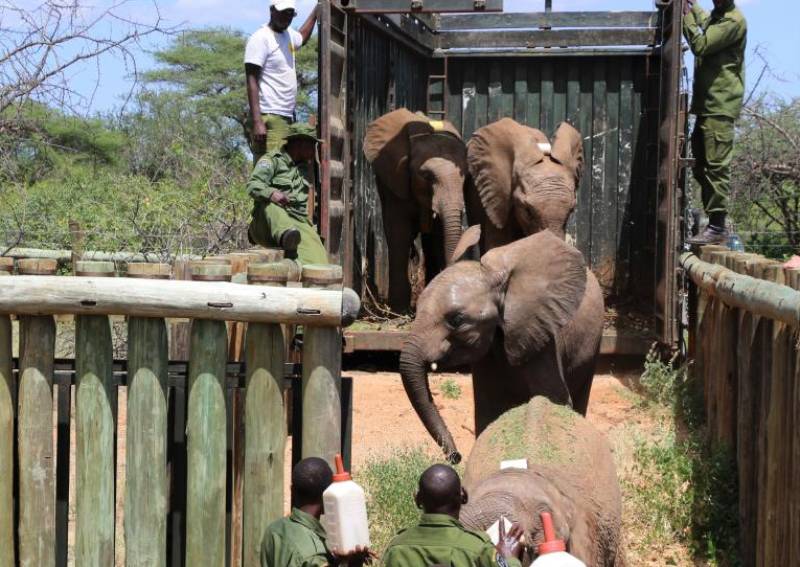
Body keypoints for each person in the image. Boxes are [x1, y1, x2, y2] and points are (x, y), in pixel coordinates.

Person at [683, 0, 747, 245]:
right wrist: (691, 5)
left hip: (720, 106)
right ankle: (713, 222)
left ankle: (717, 227)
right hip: (707, 105)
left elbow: (701, 44)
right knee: (701, 164)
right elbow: (706, 21)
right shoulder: (718, 16)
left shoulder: (734, 21)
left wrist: (686, 15)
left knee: (716, 166)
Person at [381, 465, 524, 567]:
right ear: (463, 496)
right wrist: (508, 558)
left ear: (418, 499)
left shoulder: (396, 548)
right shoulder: (478, 548)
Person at [261, 457, 370, 567]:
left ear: (292, 490)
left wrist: (336, 561)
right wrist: (355, 564)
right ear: (327, 496)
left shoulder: (274, 531)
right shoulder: (315, 556)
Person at [245, 0, 318, 163]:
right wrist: (258, 121)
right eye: (283, 12)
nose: (287, 17)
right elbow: (251, 79)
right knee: (271, 169)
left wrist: (317, 11)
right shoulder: (261, 38)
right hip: (270, 115)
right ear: (272, 11)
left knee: (282, 169)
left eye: (290, 14)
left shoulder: (288, 35)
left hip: (285, 116)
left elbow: (302, 37)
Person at [247, 122, 329, 265]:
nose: (314, 150)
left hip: (296, 222)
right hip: (267, 223)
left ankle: (292, 244)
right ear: (299, 143)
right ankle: (287, 236)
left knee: (319, 261)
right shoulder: (272, 160)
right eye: (311, 145)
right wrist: (272, 193)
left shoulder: (306, 167)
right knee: (271, 205)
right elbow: (253, 185)